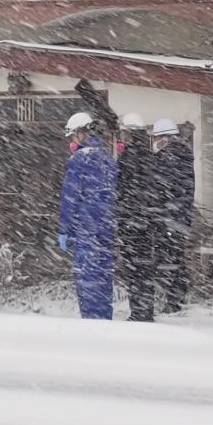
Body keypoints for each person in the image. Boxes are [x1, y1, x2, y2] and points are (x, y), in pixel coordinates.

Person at [58, 109, 117, 320]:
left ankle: (91, 322)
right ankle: (104, 317)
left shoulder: (79, 160)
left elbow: (70, 197)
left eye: (73, 136)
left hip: (85, 228)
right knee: (103, 276)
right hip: (106, 228)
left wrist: (64, 229)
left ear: (81, 133)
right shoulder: (107, 159)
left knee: (87, 277)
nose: (72, 142)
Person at [114, 113, 160, 323]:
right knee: (144, 269)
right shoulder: (150, 157)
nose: (121, 139)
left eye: (124, 134)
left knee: (135, 270)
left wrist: (123, 215)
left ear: (131, 135)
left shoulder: (130, 158)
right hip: (146, 223)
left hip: (133, 222)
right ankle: (145, 310)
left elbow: (124, 190)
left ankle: (139, 313)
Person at [150, 118, 196, 314]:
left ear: (165, 138)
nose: (155, 141)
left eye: (157, 138)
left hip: (170, 216)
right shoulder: (183, 156)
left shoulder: (170, 158)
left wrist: (161, 210)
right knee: (176, 257)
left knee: (171, 259)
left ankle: (174, 300)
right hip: (180, 216)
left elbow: (164, 187)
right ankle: (177, 296)